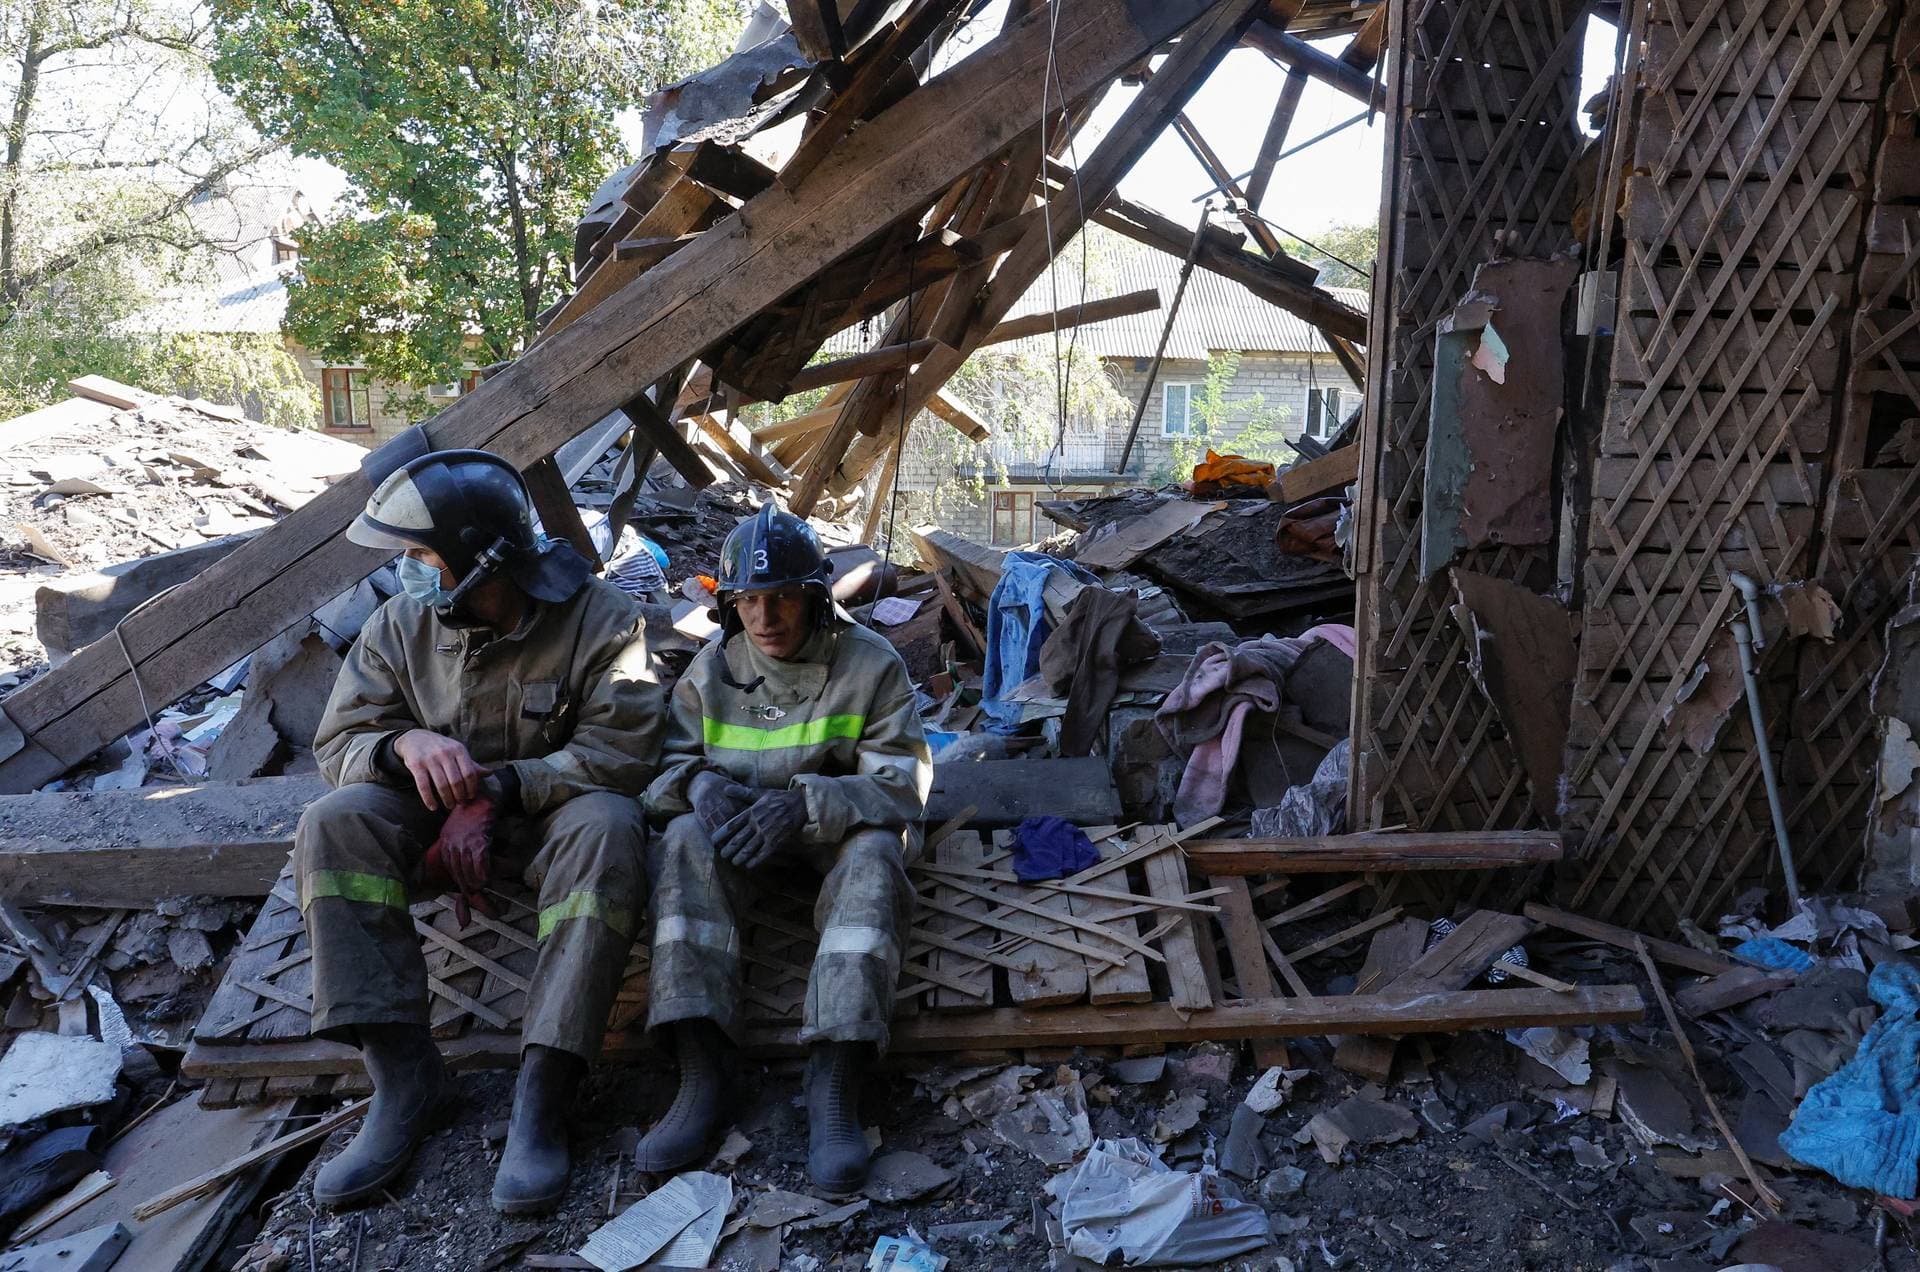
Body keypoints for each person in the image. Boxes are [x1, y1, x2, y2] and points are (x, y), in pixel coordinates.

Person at [293, 448, 665, 1213]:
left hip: (550, 825)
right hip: (434, 829)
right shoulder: (400, 624)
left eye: (421, 554)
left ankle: (545, 1093)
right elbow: (339, 745)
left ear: (479, 559)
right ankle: (406, 1081)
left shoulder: (602, 621)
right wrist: (402, 748)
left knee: (611, 826)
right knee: (334, 822)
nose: (409, 571)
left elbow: (621, 754)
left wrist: (496, 789)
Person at [636, 504, 931, 1192]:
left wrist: (804, 805)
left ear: (817, 599)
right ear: (729, 606)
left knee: (876, 856)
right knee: (681, 835)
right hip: (740, 840)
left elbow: (903, 784)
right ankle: (701, 1072)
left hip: (829, 838)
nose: (765, 619)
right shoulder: (711, 670)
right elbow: (657, 773)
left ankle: (836, 1085)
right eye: (748, 603)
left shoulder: (871, 664)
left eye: (783, 600)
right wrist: (699, 784)